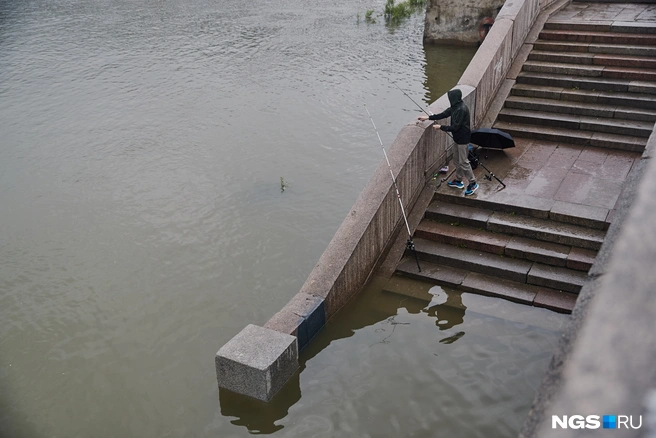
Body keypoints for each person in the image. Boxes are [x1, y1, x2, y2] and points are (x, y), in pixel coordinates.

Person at [418, 89, 478, 196]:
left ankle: (473, 183)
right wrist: (428, 117)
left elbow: (455, 127)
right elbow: (444, 114)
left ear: (455, 98)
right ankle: (459, 180)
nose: (450, 100)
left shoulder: (461, 109)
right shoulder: (455, 107)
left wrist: (441, 127)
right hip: (457, 139)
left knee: (464, 162)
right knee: (456, 160)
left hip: (463, 139)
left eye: (451, 98)